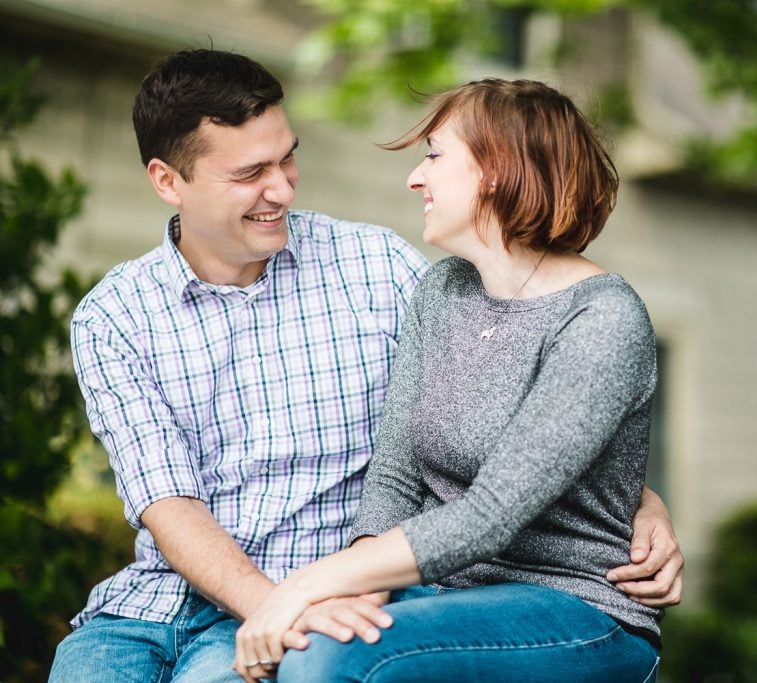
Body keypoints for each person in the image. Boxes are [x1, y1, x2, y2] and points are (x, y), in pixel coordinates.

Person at [48, 51, 682, 683]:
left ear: (497, 174)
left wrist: (631, 498)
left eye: (287, 157)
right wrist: (297, 598)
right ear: (168, 180)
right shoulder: (113, 315)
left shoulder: (379, 268)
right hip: (166, 602)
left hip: (338, 594)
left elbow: (518, 460)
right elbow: (172, 504)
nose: (284, 187)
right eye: (250, 173)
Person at [234, 78, 666, 683]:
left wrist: (304, 585)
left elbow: (491, 514)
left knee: (329, 657)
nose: (416, 178)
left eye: (434, 155)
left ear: (497, 170)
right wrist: (360, 588)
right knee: (282, 652)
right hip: (441, 593)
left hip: (575, 605)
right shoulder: (444, 291)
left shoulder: (603, 319)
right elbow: (395, 472)